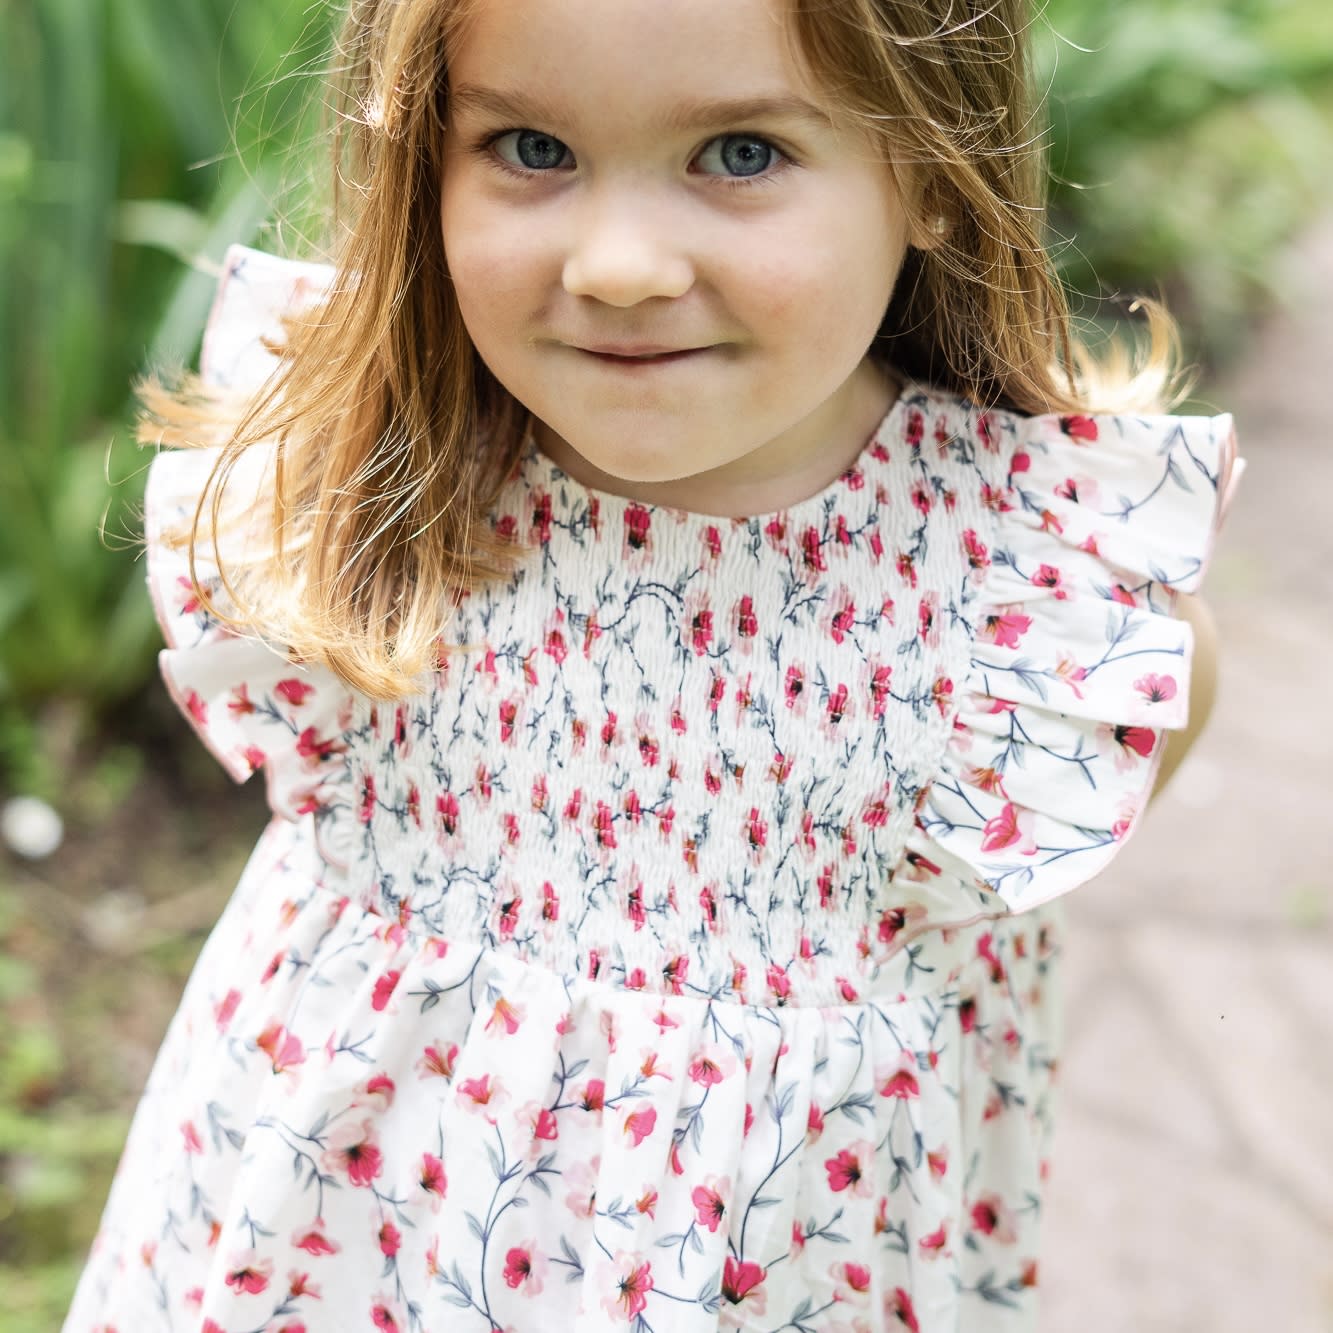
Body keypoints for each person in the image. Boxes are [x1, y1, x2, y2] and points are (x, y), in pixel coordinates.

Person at [64, 0, 1244, 1329]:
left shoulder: (1024, 608)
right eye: (530, 147)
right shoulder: (372, 490)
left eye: (738, 154)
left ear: (925, 164)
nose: (617, 263)